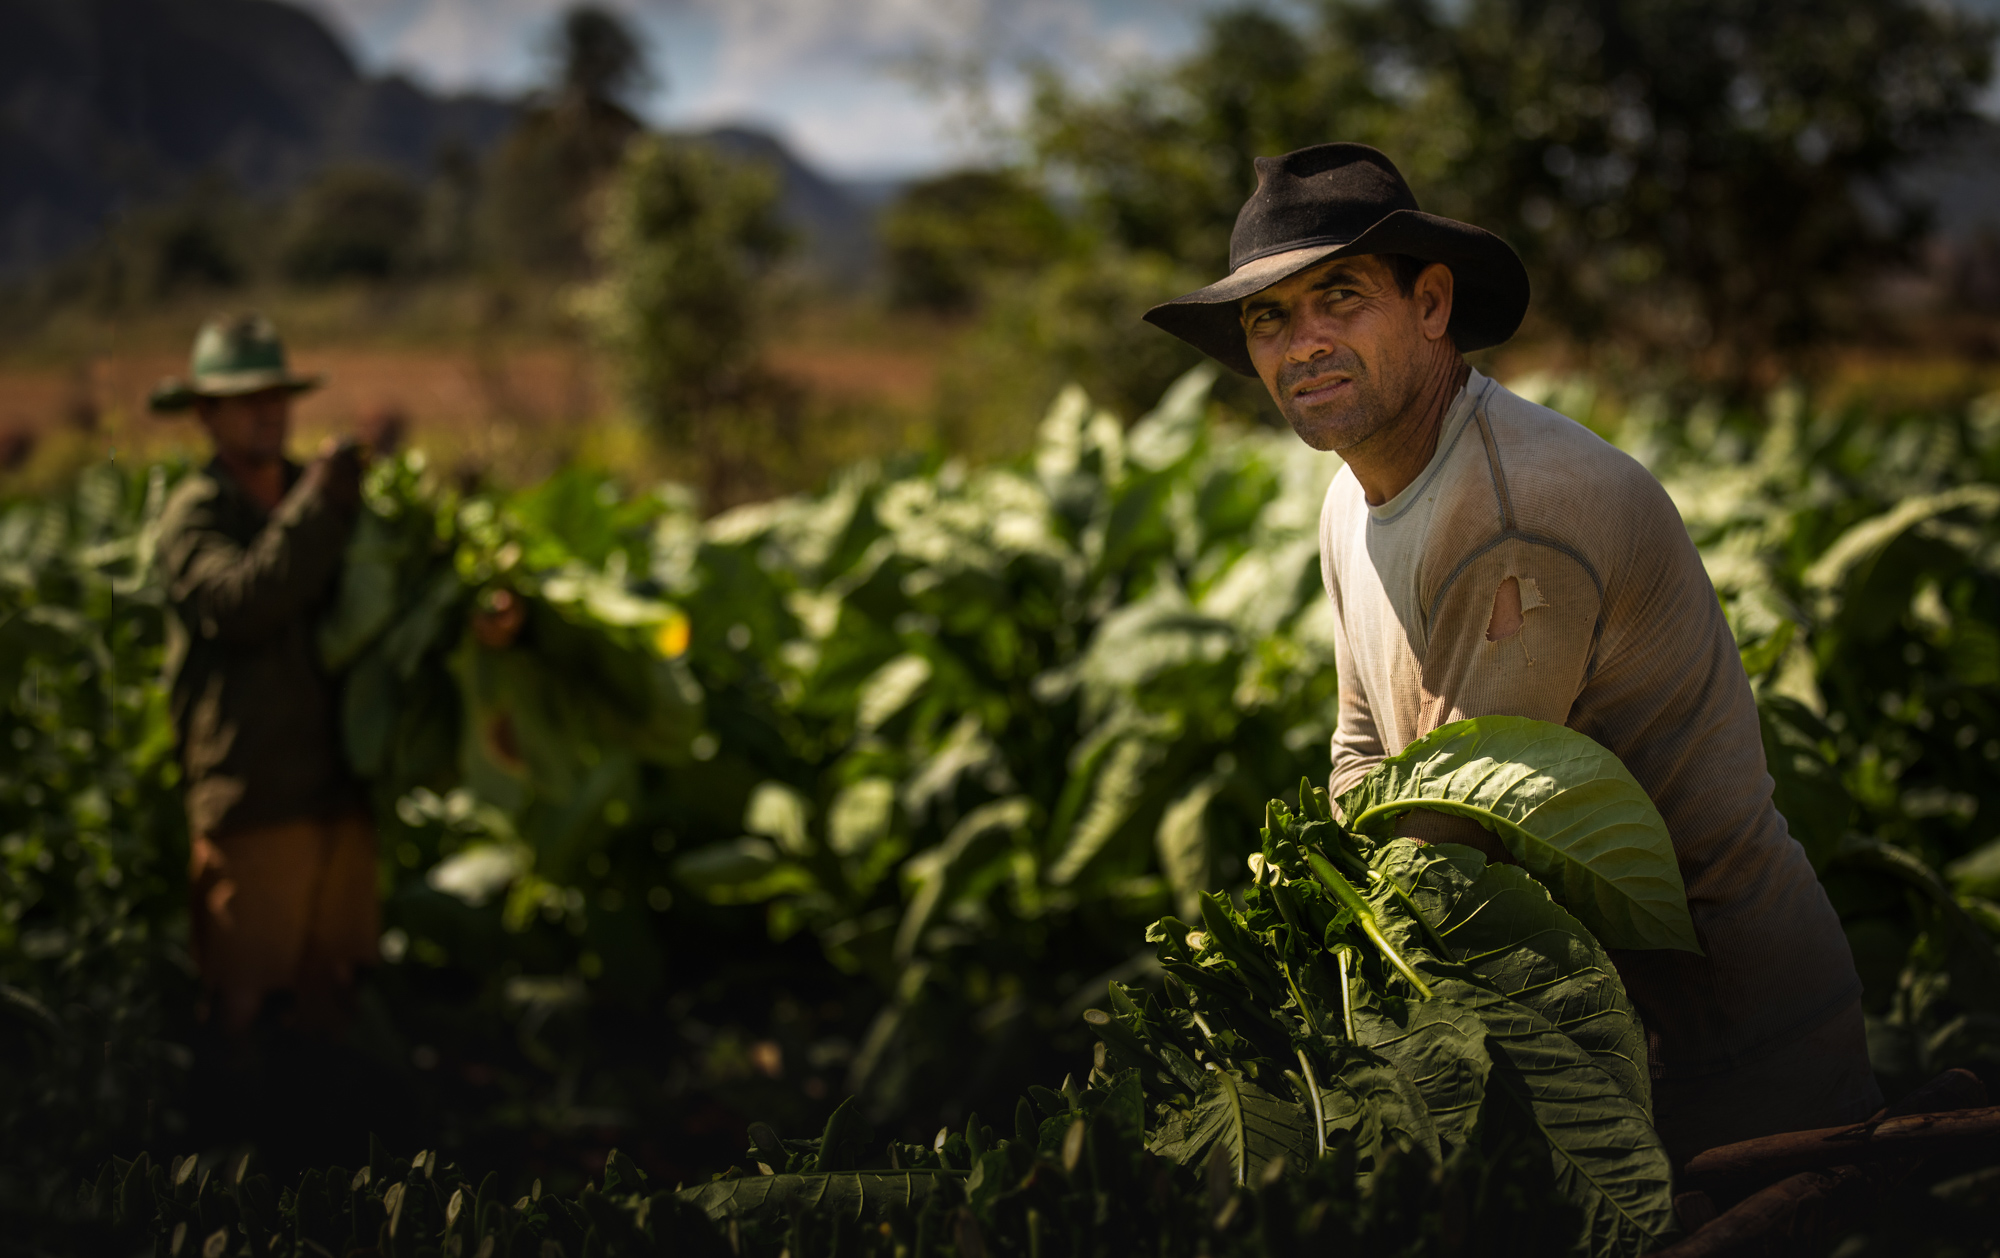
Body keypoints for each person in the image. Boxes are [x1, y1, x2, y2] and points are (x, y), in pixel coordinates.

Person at [1143, 143, 1876, 1160]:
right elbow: (1361, 752)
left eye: (1340, 297)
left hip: (1732, 1038)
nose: (1303, 343)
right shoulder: (1350, 493)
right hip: (1596, 1042)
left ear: (1430, 305)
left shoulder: (1512, 509)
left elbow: (1455, 840)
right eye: (1268, 317)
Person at [150, 314, 376, 1038]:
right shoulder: (197, 515)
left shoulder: (322, 493)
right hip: (253, 791)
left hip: (335, 787)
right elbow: (238, 605)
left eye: (276, 396)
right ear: (206, 414)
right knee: (244, 1004)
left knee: (330, 995)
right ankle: (230, 1117)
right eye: (245, 400)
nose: (267, 412)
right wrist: (320, 508)